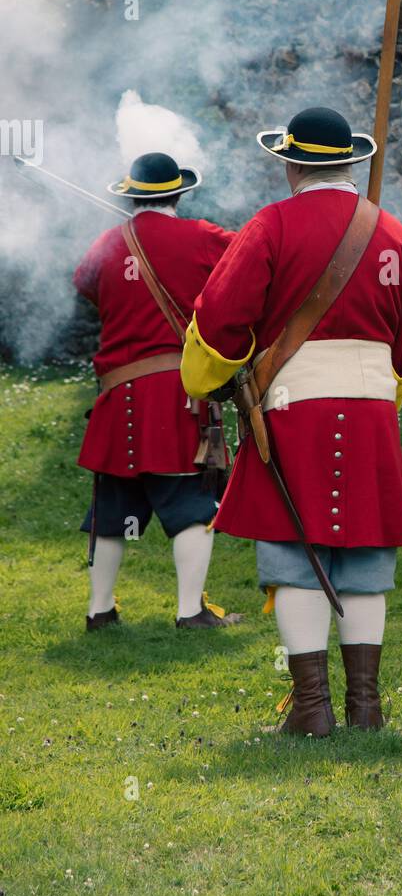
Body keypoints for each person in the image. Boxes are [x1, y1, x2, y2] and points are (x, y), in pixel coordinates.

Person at [180, 106, 402, 737]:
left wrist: (209, 377)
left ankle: (313, 712)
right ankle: (365, 708)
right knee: (367, 555)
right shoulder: (393, 232)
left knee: (292, 554)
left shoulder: (268, 226)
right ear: (349, 162)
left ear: (291, 165)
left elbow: (220, 320)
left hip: (292, 411)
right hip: (370, 411)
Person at [75, 151, 237, 632]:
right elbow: (246, 269)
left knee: (113, 511)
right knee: (191, 505)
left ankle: (99, 610)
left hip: (118, 394)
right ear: (179, 193)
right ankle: (190, 612)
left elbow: (85, 285)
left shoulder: (108, 242)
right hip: (175, 394)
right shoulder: (205, 238)